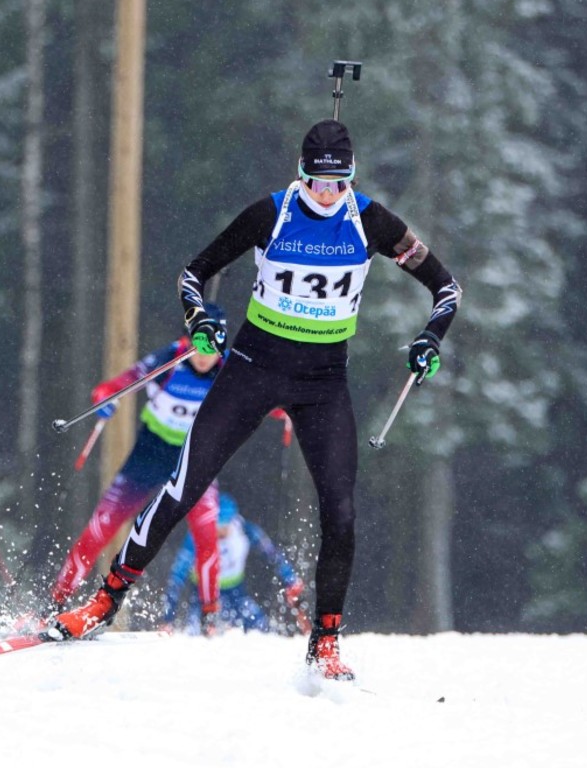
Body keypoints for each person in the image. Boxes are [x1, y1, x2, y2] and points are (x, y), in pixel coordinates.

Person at [48, 118, 461, 682]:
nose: (327, 194)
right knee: (183, 487)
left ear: (352, 179)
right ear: (300, 174)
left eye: (338, 184)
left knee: (341, 513)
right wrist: (199, 323)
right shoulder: (271, 213)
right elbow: (194, 274)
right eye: (318, 183)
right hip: (252, 370)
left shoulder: (371, 221)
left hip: (323, 384)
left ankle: (326, 643)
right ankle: (104, 602)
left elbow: (446, 288)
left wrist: (429, 339)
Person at [45, 316, 230, 633]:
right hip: (149, 455)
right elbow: (111, 388)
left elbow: (263, 399)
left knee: (206, 534)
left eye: (211, 348)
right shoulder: (168, 360)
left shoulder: (228, 373)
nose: (203, 354)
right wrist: (105, 401)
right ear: (188, 341)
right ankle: (56, 603)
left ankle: (211, 618)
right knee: (100, 528)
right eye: (197, 345)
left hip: (192, 459)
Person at [160, 491, 307, 635]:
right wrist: (168, 619)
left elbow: (272, 554)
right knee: (198, 637)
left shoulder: (244, 529)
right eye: (217, 527)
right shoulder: (196, 537)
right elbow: (176, 578)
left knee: (262, 630)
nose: (222, 533)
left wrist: (290, 579)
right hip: (202, 599)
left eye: (226, 525)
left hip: (236, 594)